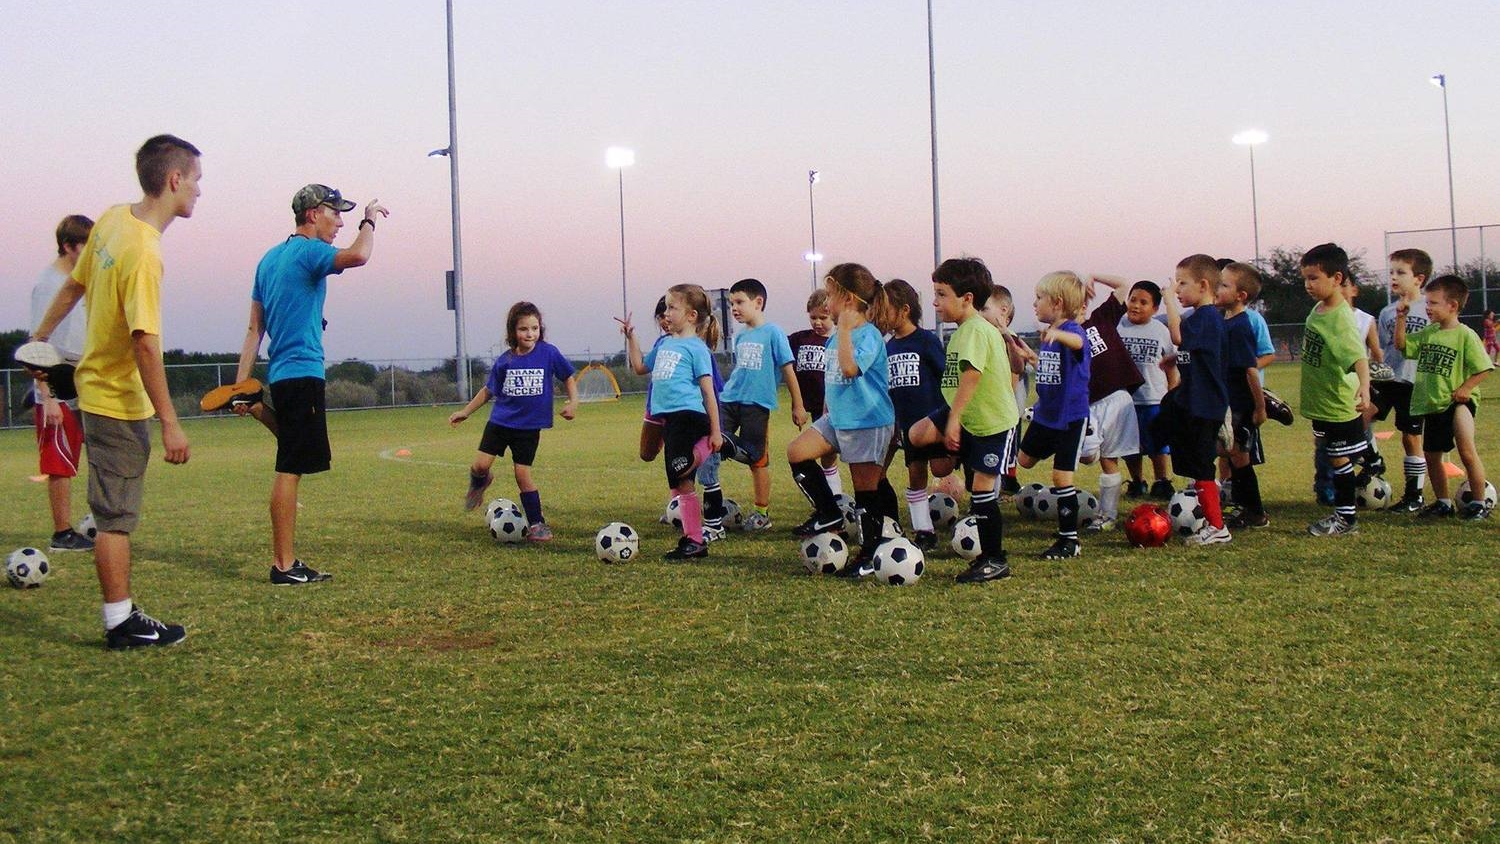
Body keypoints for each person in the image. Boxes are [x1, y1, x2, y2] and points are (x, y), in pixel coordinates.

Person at [30, 135, 202, 648]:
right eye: (196, 179)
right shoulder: (145, 252)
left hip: (92, 389)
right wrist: (170, 421)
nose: (199, 190)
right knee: (115, 518)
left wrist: (39, 338)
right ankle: (119, 622)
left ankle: (120, 615)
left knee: (113, 513)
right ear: (174, 180)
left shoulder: (109, 219)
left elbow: (74, 286)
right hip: (115, 401)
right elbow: (145, 344)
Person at [229, 184, 389, 584]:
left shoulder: (268, 260)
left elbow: (254, 330)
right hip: (302, 373)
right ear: (314, 213)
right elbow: (360, 255)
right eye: (336, 214)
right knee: (291, 465)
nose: (340, 222)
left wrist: (240, 385)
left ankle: (257, 405)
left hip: (282, 374)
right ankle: (283, 565)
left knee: (294, 446)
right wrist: (369, 220)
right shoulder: (309, 251)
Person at [908, 259, 1019, 581]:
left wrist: (953, 422)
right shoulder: (963, 331)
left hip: (991, 422)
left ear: (967, 298)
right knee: (916, 434)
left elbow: (971, 376)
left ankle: (995, 560)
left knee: (982, 491)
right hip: (965, 413)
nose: (935, 302)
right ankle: (953, 458)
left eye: (942, 294)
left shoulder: (975, 330)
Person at [786, 263, 898, 577]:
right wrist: (825, 407)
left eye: (831, 296)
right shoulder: (839, 335)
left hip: (868, 421)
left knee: (866, 491)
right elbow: (834, 377)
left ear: (847, 299)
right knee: (797, 452)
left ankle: (870, 554)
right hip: (837, 419)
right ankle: (829, 513)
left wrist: (846, 330)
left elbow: (850, 369)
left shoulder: (868, 335)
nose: (826, 303)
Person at [620, 284, 747, 559]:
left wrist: (715, 430)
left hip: (689, 416)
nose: (666, 313)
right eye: (666, 307)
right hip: (670, 420)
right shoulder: (665, 343)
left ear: (691, 316)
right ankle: (694, 540)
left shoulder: (696, 349)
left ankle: (712, 445)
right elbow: (641, 367)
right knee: (681, 484)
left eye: (672, 307)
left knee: (682, 471)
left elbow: (708, 392)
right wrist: (631, 338)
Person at [450, 302, 578, 539]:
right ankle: (480, 482)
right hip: (500, 423)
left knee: (522, 475)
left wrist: (573, 402)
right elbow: (488, 391)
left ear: (541, 329)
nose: (530, 334)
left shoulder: (548, 353)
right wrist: (465, 412)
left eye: (534, 328)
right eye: (523, 329)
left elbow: (568, 376)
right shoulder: (505, 361)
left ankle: (537, 524)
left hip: (528, 429)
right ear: (513, 332)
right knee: (479, 466)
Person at [1394, 275, 1495, 520]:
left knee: (1466, 450)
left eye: (1434, 303)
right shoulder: (1429, 333)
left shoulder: (1465, 335)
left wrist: (1466, 388)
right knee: (1432, 455)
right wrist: (1401, 318)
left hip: (1458, 402)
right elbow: (1402, 345)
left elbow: (1485, 367)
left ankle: (1479, 503)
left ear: (1453, 306)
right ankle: (1443, 503)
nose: (1428, 307)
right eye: (1427, 303)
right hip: (1433, 404)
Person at [714, 278, 808, 533]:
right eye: (731, 303)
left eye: (739, 302)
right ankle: (712, 508)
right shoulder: (741, 336)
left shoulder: (773, 333)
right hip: (730, 399)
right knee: (711, 443)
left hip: (757, 404)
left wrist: (797, 405)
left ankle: (762, 513)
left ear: (758, 302)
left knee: (757, 459)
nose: (734, 308)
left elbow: (788, 370)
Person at [28, 215, 95, 553]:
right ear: (69, 246)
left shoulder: (76, 281)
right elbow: (37, 343)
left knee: (90, 452)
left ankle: (93, 520)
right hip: (55, 382)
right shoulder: (49, 284)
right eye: (86, 246)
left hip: (81, 379)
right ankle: (62, 533)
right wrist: (47, 396)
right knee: (60, 460)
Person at [1015, 271, 1091, 559]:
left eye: (1039, 298)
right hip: (1046, 416)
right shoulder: (1050, 337)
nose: (1034, 304)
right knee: (1024, 460)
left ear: (1057, 303)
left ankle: (1069, 540)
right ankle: (1063, 492)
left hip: (1070, 418)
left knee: (1061, 477)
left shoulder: (1073, 331)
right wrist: (1030, 356)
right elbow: (1051, 369)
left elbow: (1079, 344)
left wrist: (1060, 334)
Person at [1298, 243, 1372, 536]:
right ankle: (1369, 461)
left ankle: (1346, 520)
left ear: (1337, 278)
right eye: (1305, 278)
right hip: (1323, 402)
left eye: (1314, 278)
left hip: (1339, 403)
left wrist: (1365, 385)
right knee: (1334, 457)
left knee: (1340, 461)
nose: (1308, 285)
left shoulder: (1340, 316)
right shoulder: (1320, 309)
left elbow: (1358, 355)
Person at [882, 279, 954, 551]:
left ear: (904, 309)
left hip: (932, 420)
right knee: (916, 474)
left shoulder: (926, 341)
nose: (882, 315)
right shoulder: (888, 346)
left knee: (941, 468)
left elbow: (946, 377)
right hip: (906, 423)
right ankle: (924, 532)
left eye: (886, 309)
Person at [1164, 254, 1230, 545]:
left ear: (1203, 285)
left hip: (1206, 405)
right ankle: (1209, 516)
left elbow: (1178, 335)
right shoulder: (1201, 319)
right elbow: (1194, 353)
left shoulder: (1206, 317)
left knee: (1203, 465)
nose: (1177, 290)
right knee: (1196, 463)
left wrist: (1166, 301)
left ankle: (1218, 527)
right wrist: (1174, 360)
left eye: (1182, 283)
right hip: (1192, 401)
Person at [1076, 275, 1146, 531]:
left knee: (1109, 458)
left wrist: (1094, 276)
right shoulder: (1064, 335)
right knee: (1087, 456)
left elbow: (1124, 285)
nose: (1082, 305)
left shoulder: (1100, 318)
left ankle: (1107, 515)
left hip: (1117, 398)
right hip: (1089, 405)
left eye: (1083, 300)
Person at [1369, 249, 1433, 512]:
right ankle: (1372, 461)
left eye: (1400, 272)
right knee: (1361, 416)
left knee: (1411, 438)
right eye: (1391, 272)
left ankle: (1414, 495)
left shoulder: (1430, 308)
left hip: (1413, 383)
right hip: (1387, 380)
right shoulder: (1386, 312)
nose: (1393, 277)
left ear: (1419, 279)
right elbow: (1384, 349)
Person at [1217, 263, 1270, 529]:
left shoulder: (1240, 326)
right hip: (1228, 403)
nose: (1218, 288)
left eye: (1224, 285)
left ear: (1241, 296)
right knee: (1231, 457)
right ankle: (1245, 508)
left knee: (1240, 459)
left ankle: (1256, 513)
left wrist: (1260, 408)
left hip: (1241, 405)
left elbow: (1250, 370)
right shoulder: (1223, 321)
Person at [1116, 280, 1178, 500]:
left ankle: (1162, 481)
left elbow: (1171, 368)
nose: (1136, 306)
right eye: (1133, 300)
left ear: (1155, 308)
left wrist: (1171, 394)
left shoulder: (1161, 331)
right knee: (1130, 445)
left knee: (1158, 444)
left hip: (1154, 398)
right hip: (1125, 400)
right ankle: (1136, 481)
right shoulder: (1118, 326)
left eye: (1143, 302)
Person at [788, 290, 843, 534]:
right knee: (820, 457)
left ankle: (836, 504)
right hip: (813, 404)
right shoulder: (800, 339)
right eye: (813, 318)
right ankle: (830, 507)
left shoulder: (840, 340)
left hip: (835, 408)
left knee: (829, 457)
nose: (818, 323)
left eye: (823, 317)